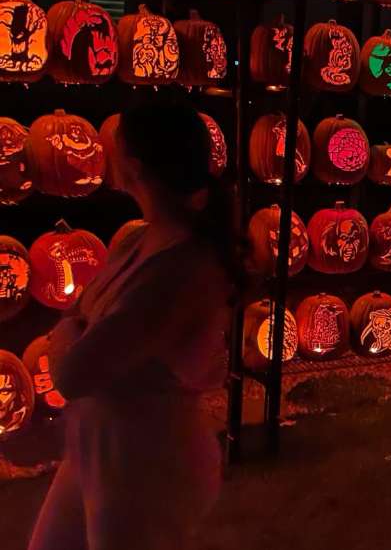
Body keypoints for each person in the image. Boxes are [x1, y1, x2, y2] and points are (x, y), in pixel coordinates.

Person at [29, 94, 236, 550]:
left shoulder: (181, 268)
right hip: (92, 446)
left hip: (145, 461)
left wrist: (65, 333)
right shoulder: (136, 242)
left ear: (135, 167)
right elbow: (79, 314)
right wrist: (74, 327)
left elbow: (74, 372)